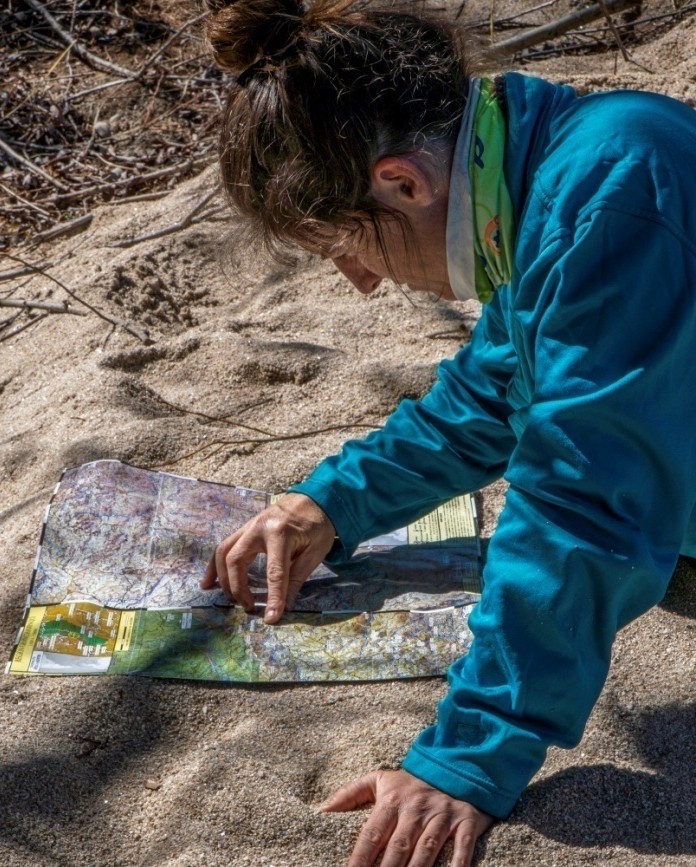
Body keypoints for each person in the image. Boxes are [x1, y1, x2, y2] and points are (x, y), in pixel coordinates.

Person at [200, 1, 696, 864]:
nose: (361, 279)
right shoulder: (556, 170)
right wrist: (332, 502)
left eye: (346, 245)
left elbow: (583, 495)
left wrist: (468, 756)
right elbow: (495, 391)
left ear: (403, 183)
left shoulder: (611, 189)